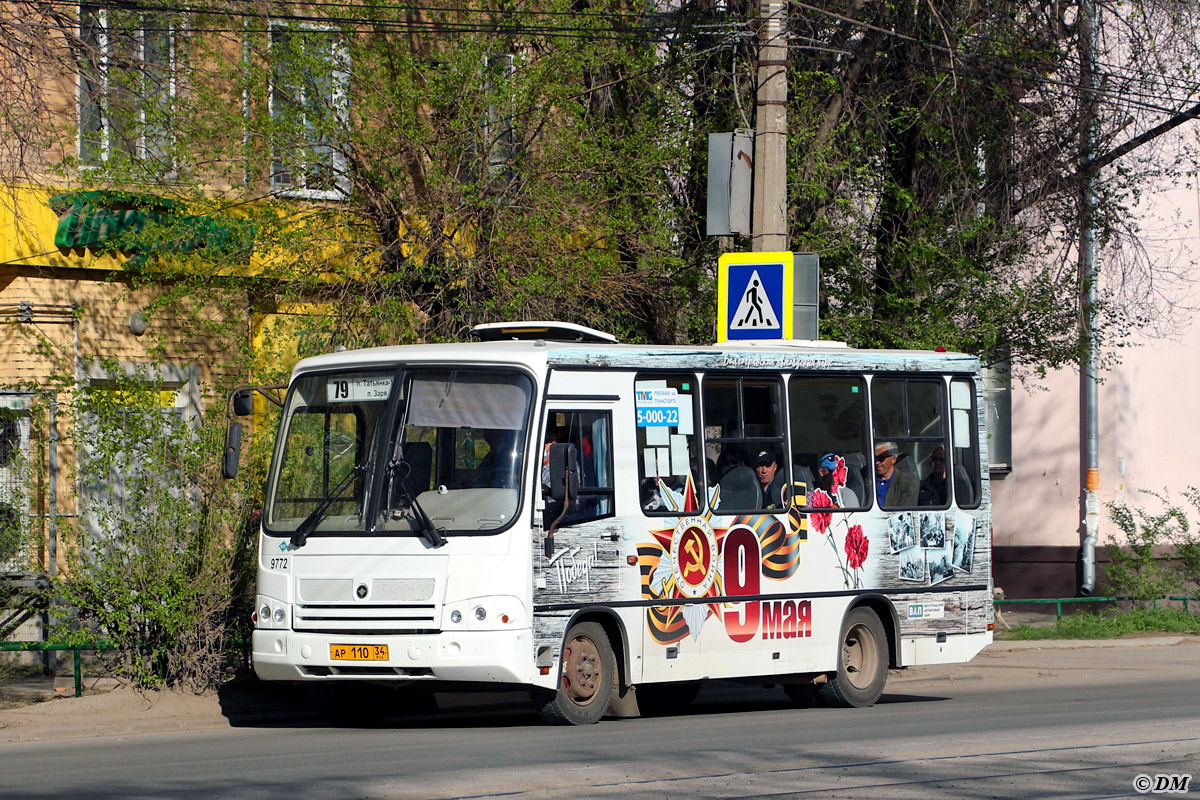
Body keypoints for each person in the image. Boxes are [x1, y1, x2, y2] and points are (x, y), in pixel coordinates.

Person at [875, 441, 917, 508]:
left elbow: (903, 510)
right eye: (875, 458)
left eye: (881, 458)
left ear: (893, 459)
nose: (877, 462)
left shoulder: (907, 481)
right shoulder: (868, 479)